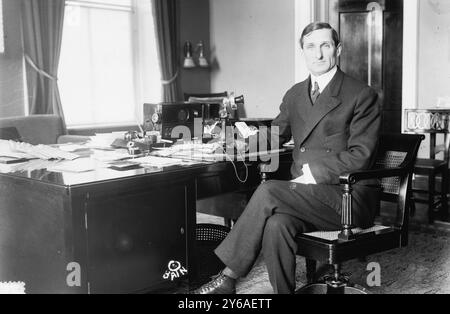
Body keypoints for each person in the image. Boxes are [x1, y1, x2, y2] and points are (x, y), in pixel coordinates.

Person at [193, 22, 381, 294]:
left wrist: (313, 173)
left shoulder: (361, 94)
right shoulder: (295, 94)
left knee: (269, 190)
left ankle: (227, 277)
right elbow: (274, 136)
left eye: (325, 46)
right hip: (307, 196)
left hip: (347, 198)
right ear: (302, 51)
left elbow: (361, 156)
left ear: (338, 50)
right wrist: (231, 146)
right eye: (310, 47)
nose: (318, 54)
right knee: (276, 224)